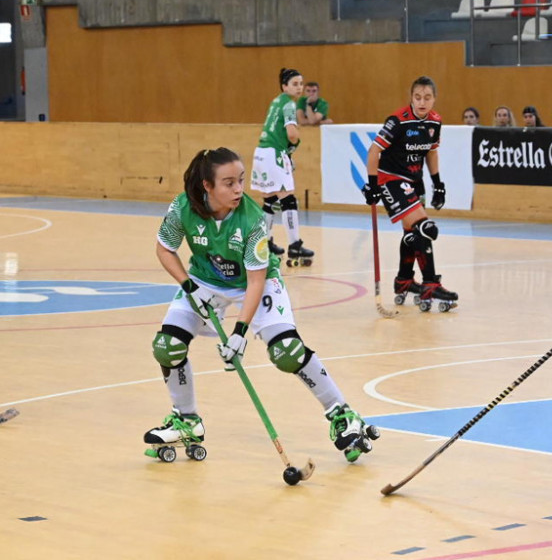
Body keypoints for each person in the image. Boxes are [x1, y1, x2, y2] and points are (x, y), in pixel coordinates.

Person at [145, 147, 378, 463]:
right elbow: (164, 250)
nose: (239, 189)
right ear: (207, 186)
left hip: (256, 283)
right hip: (204, 281)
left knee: (286, 352)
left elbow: (255, 281)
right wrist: (189, 287)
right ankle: (187, 420)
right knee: (167, 347)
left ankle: (342, 414)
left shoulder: (253, 220)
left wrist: (239, 333)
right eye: (229, 183)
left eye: (241, 180)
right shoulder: (182, 207)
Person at [361, 76, 459, 311]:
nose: (422, 102)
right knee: (426, 228)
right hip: (391, 179)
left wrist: (438, 183)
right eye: (417, 97)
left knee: (412, 233)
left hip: (416, 181)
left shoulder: (435, 122)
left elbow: (431, 153)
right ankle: (431, 283)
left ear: (434, 99)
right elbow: (374, 151)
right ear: (411, 98)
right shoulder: (398, 121)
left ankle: (404, 280)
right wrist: (372, 185)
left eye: (427, 98)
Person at [249, 68, 314, 267]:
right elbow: (292, 134)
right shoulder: (288, 104)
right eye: (295, 84)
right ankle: (295, 245)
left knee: (269, 199)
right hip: (274, 153)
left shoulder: (276, 101)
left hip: (261, 152)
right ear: (284, 86)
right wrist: (293, 146)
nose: (299, 88)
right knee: (288, 200)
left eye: (301, 84)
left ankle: (265, 243)